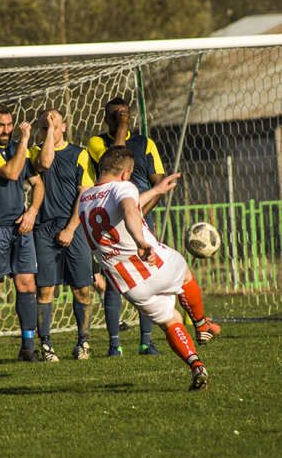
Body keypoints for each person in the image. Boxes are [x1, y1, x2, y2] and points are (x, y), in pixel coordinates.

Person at [78, 146, 221, 391]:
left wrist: (155, 191)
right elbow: (129, 209)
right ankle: (201, 325)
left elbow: (121, 207)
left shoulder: (84, 199)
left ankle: (196, 365)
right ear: (125, 174)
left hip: (131, 287)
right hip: (153, 264)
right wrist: (139, 241)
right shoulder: (124, 187)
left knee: (171, 321)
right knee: (184, 272)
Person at [88, 97, 165, 357]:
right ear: (105, 119)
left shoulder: (145, 143)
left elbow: (158, 182)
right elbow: (117, 159)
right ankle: (114, 345)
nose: (118, 119)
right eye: (113, 117)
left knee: (148, 277)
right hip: (109, 223)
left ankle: (146, 342)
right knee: (113, 281)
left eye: (123, 116)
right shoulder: (97, 143)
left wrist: (137, 213)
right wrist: (120, 128)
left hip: (140, 217)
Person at [0, 104, 45, 366]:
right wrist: (24, 140)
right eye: (0, 125)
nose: (6, 130)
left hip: (21, 226)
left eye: (9, 124)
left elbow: (37, 183)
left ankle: (28, 348)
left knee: (27, 285)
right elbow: (12, 172)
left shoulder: (18, 147)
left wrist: (32, 212)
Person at [29, 109, 96, 361]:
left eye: (54, 126)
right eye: (44, 127)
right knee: (45, 290)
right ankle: (46, 347)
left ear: (65, 127)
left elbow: (85, 194)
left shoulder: (80, 154)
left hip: (74, 227)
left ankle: (83, 344)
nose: (50, 131)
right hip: (44, 229)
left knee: (82, 288)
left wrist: (70, 227)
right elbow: (44, 163)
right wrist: (48, 132)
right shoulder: (34, 152)